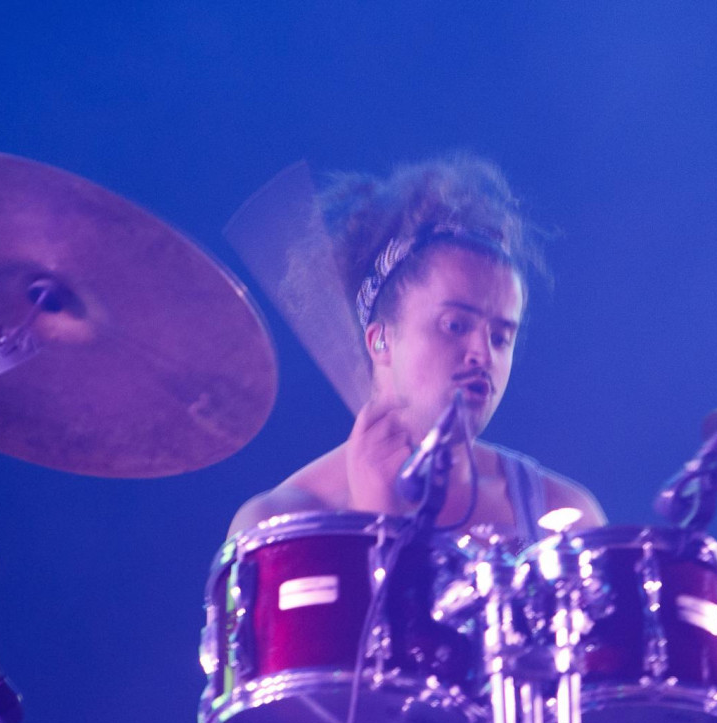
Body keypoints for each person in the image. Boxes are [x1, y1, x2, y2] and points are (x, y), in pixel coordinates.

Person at [229, 155, 605, 541]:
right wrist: (376, 518)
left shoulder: (563, 516)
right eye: (455, 325)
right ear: (380, 340)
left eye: (500, 337)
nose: (483, 354)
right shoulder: (278, 528)